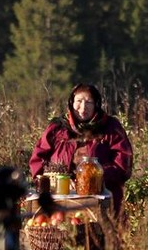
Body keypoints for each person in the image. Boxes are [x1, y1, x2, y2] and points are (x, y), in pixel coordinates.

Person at [29, 83, 134, 216]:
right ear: (71, 103)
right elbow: (38, 159)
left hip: (100, 198)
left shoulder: (110, 127)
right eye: (79, 101)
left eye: (89, 102)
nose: (83, 107)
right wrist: (49, 182)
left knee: (97, 234)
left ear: (96, 104)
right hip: (60, 199)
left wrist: (94, 178)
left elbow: (123, 164)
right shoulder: (58, 128)